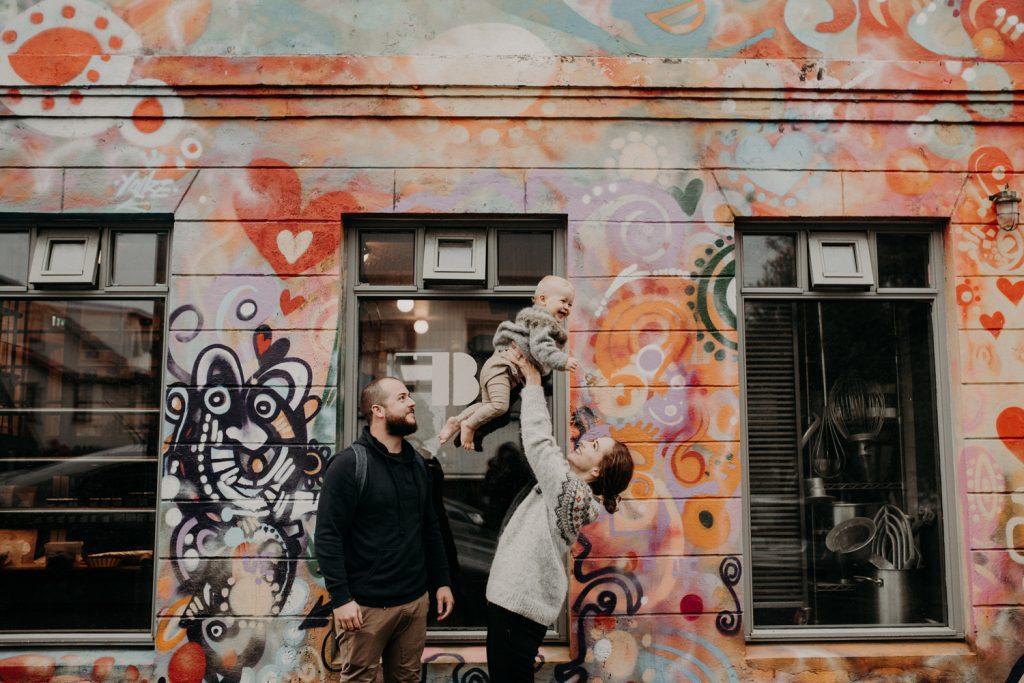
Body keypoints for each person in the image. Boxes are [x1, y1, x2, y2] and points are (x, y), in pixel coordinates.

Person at [485, 351, 635, 682]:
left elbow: (539, 443)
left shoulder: (573, 496)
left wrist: (533, 383)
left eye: (594, 447)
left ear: (596, 471)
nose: (585, 443)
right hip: (512, 605)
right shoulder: (564, 489)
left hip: (517, 609)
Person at [315, 377, 455, 682]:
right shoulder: (349, 465)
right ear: (377, 410)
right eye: (402, 398)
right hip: (365, 608)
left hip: (414, 603)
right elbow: (327, 536)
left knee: (407, 679)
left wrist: (442, 581)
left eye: (409, 396)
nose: (412, 402)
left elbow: (429, 527)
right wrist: (341, 599)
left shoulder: (417, 464)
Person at [439, 275, 580, 451]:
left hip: (497, 368)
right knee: (500, 407)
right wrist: (562, 360)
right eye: (563, 301)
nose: (567, 307)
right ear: (543, 300)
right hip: (502, 369)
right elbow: (540, 348)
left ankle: (456, 421)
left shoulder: (536, 321)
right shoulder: (542, 321)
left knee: (487, 405)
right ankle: (469, 425)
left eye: (570, 304)